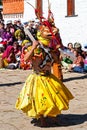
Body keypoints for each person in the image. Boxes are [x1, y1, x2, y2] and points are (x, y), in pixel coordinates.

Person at [15, 40, 74, 127]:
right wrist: (34, 47)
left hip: (49, 77)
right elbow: (26, 59)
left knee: (55, 98)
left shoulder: (50, 51)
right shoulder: (33, 50)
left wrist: (59, 51)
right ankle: (42, 119)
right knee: (39, 99)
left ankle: (54, 117)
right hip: (37, 78)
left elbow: (57, 61)